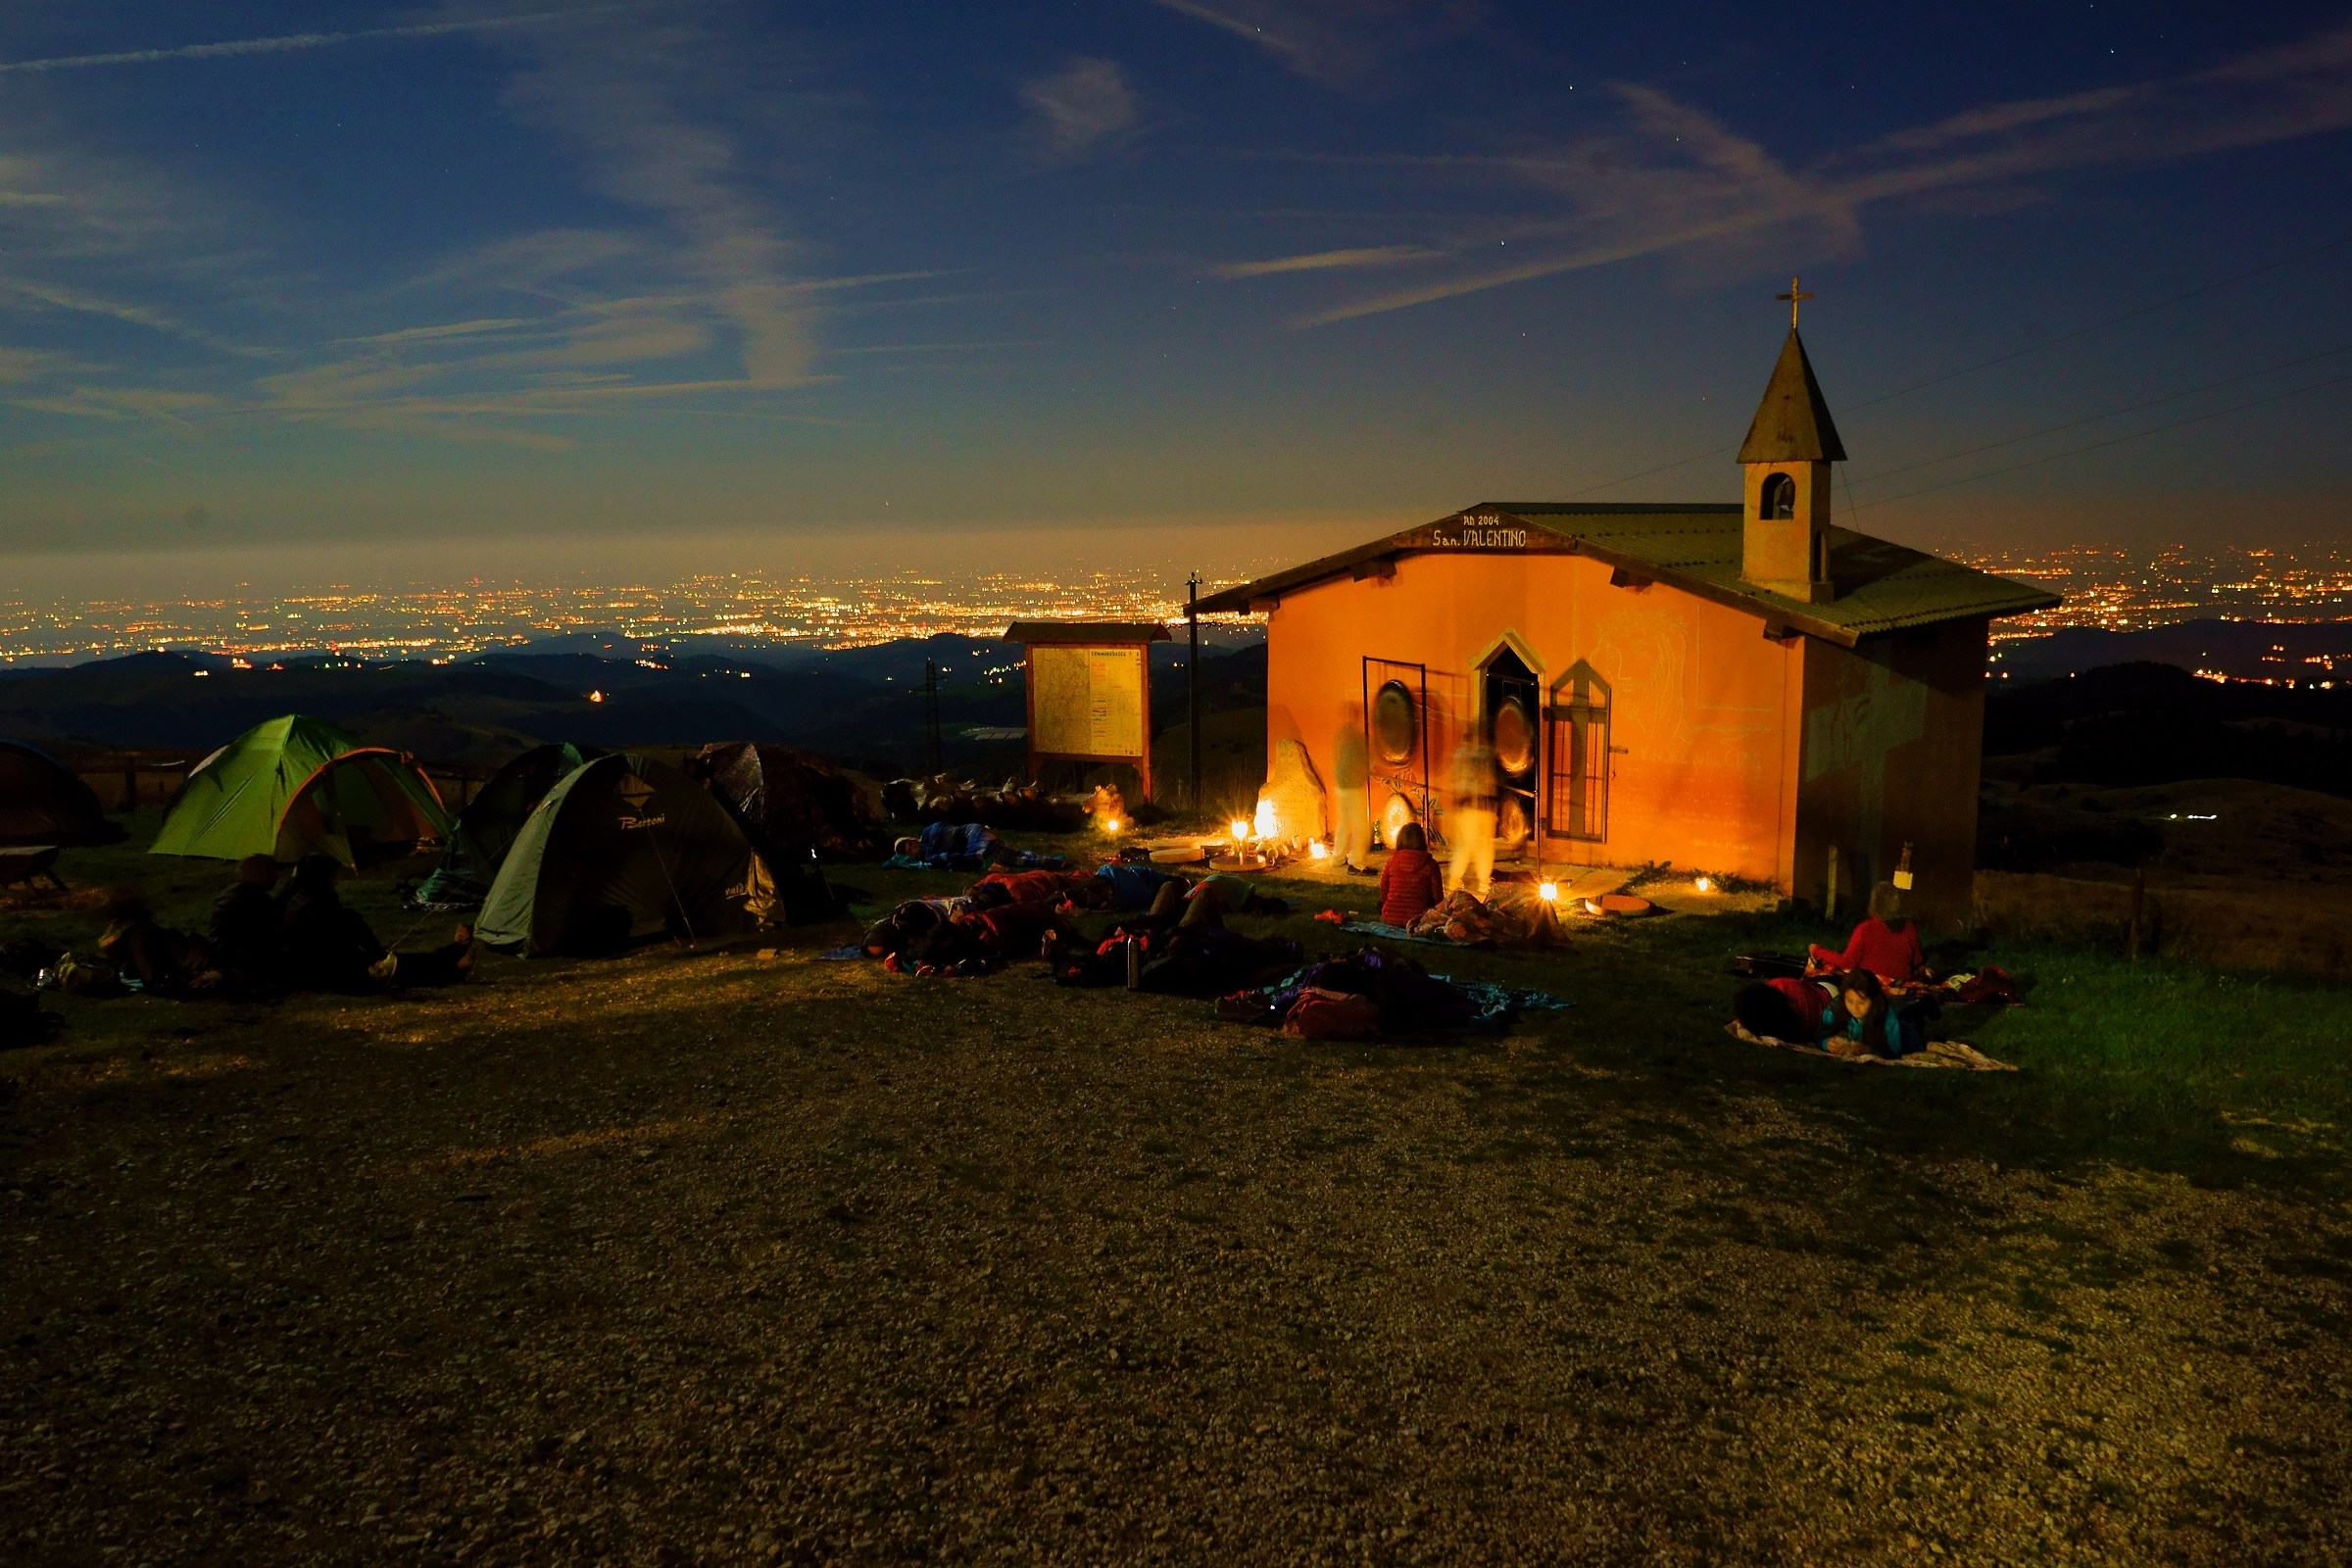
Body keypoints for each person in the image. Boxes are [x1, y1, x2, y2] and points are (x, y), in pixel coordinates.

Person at [279, 855, 474, 992]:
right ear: (322, 879)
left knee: (408, 963)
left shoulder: (304, 898)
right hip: (332, 974)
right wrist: (375, 957)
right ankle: (456, 959)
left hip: (326, 969)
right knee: (407, 968)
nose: (336, 882)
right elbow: (343, 938)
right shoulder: (315, 908)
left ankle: (455, 958)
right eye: (333, 877)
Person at [1809, 880, 1928, 987]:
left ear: (1874, 903)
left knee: (1821, 966)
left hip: (1871, 986)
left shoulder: (1865, 929)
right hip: (1901, 984)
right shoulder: (1909, 927)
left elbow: (1848, 962)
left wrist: (1818, 951)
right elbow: (1917, 961)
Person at [96, 889, 213, 994]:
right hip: (202, 955)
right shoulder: (142, 930)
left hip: (203, 963)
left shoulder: (138, 938)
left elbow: (152, 978)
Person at [209, 855, 283, 994]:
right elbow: (270, 941)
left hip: (222, 957)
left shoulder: (227, 896)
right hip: (242, 960)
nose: (276, 877)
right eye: (272, 872)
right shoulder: (257, 902)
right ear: (260, 873)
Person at [1445, 740, 1497, 899]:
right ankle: (1482, 883)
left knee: (1467, 845)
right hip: (1480, 804)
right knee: (1482, 846)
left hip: (1469, 806)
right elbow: (1490, 780)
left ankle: (1456, 881)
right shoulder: (1484, 753)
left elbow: (1456, 781)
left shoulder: (1462, 755)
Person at [1378, 822, 1445, 927]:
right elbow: (1438, 898)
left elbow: (1383, 890)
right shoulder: (1430, 865)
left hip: (1390, 918)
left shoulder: (1391, 861)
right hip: (1417, 921)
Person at [1333, 718, 1372, 873]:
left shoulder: (1341, 736)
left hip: (1341, 784)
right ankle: (1356, 862)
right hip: (1352, 786)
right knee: (1361, 825)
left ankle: (1337, 857)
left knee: (1343, 822)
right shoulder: (1358, 739)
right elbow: (1363, 763)